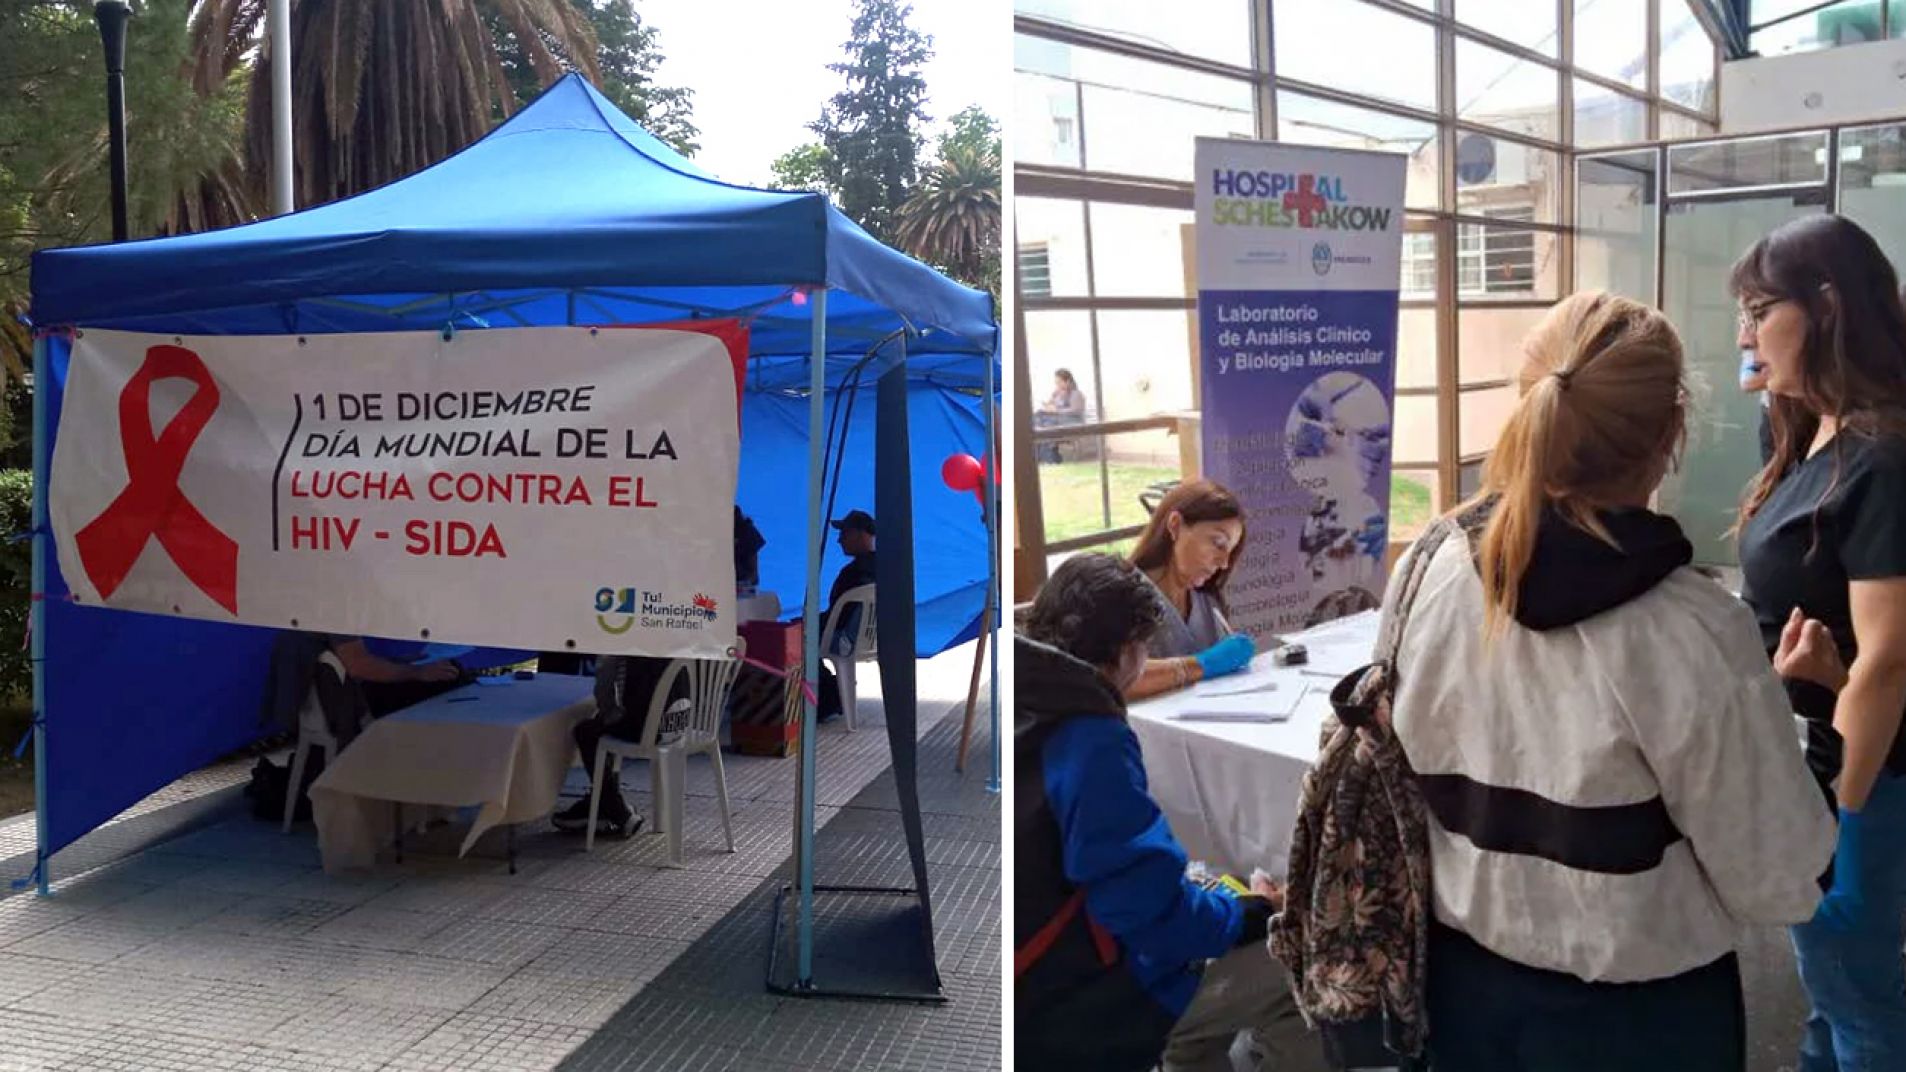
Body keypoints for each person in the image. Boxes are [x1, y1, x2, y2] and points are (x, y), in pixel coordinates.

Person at [1385, 291, 1834, 1070]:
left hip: (1457, 997)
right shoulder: (1693, 631)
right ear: (1671, 436)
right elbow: (1781, 881)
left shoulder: (1428, 565)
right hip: (1642, 1023)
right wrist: (1812, 718)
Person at [1015, 552, 1324, 1072]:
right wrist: (1255, 912)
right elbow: (1145, 911)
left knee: (1207, 901)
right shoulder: (1092, 738)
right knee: (1302, 965)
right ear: (1127, 651)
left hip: (1041, 979)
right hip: (1081, 995)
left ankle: (1186, 1047)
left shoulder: (1029, 697)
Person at [1731, 214, 1906, 1071]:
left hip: (1866, 776)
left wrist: (1847, 813)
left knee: (1855, 988)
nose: (1744, 333)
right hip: (1814, 751)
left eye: (1760, 310)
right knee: (1828, 988)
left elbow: (1889, 659)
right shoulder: (1805, 428)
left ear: (1826, 306)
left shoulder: (1884, 455)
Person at [1123, 480, 1255, 701]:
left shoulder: (1206, 600)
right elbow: (1113, 680)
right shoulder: (1121, 595)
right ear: (1175, 525)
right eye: (1218, 543)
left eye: (1230, 552)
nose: (1223, 563)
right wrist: (1203, 665)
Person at [551, 653, 691, 837]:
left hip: (646, 728)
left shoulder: (623, 637)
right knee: (603, 723)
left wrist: (608, 713)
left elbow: (606, 684)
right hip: (679, 725)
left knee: (586, 731)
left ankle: (616, 808)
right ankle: (601, 800)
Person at [260, 631, 463, 749]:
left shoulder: (308, 608)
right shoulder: (337, 610)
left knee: (444, 672)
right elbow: (359, 666)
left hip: (328, 702)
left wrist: (405, 663)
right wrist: (417, 672)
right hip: (349, 705)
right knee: (451, 678)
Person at [815, 508, 877, 724]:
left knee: (795, 639)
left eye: (845, 533)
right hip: (871, 641)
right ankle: (832, 694)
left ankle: (822, 698)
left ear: (861, 534)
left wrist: (805, 624)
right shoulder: (886, 568)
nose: (839, 540)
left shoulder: (852, 574)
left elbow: (837, 617)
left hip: (844, 639)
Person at [1035, 369, 1088, 464]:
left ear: (1067, 381)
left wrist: (1057, 411)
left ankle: (1050, 459)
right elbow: (1051, 407)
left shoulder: (1076, 394)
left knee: (1047, 425)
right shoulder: (1058, 394)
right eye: (1056, 383)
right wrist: (1050, 402)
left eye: (1059, 382)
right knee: (1038, 416)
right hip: (1057, 421)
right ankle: (1045, 456)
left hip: (1073, 422)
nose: (1057, 385)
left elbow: (1075, 411)